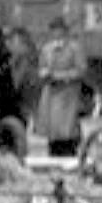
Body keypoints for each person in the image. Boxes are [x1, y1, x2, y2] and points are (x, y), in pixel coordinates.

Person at [35, 17, 88, 157]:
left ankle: (69, 150)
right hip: (50, 94)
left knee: (67, 130)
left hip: (67, 95)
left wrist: (61, 76)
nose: (56, 34)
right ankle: (53, 151)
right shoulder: (46, 49)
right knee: (52, 131)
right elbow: (41, 67)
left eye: (59, 31)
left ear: (64, 31)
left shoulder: (74, 48)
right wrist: (44, 74)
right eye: (53, 31)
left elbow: (81, 70)